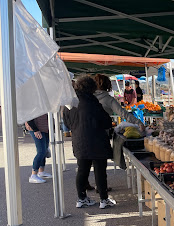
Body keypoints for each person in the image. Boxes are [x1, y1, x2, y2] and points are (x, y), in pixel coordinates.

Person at [63, 75, 116, 209]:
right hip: (97, 141)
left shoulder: (70, 103)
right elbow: (106, 122)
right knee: (100, 170)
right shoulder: (93, 102)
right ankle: (104, 200)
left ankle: (81, 198)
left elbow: (67, 123)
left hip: (79, 141)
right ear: (92, 88)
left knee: (82, 170)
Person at [25, 114, 51, 183]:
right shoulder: (33, 103)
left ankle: (41, 171)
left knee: (44, 150)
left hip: (44, 128)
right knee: (41, 151)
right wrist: (35, 130)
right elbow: (28, 116)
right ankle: (33, 174)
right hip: (36, 128)